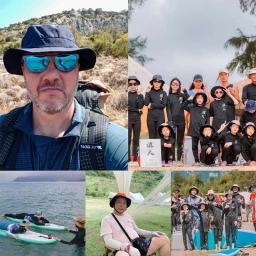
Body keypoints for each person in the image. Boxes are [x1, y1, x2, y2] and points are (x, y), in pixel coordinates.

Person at [0, 24, 127, 170]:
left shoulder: (111, 144)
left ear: (78, 67)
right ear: (23, 68)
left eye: (66, 61)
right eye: (36, 61)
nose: (51, 75)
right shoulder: (3, 135)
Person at [100, 192, 170, 256]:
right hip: (123, 249)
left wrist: (151, 233)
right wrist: (127, 248)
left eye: (124, 203)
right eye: (119, 202)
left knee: (164, 238)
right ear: (113, 204)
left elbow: (137, 230)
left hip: (140, 244)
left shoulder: (128, 216)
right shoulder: (107, 219)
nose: (121, 205)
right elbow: (108, 240)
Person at [181, 92, 209, 166]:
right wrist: (188, 100)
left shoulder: (206, 109)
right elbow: (182, 106)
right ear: (195, 99)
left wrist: (207, 131)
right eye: (198, 98)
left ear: (204, 100)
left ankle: (203, 161)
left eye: (201, 98)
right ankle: (196, 161)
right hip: (193, 130)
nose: (199, 99)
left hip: (203, 132)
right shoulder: (191, 107)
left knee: (204, 147)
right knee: (194, 147)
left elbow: (208, 121)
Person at [166, 77, 188, 165]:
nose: (175, 85)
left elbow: (189, 101)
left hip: (181, 121)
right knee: (172, 141)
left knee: (179, 142)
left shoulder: (182, 95)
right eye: (173, 84)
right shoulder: (168, 97)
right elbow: (168, 109)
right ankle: (172, 159)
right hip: (172, 122)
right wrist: (170, 121)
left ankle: (179, 160)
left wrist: (185, 92)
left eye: (177, 84)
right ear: (171, 85)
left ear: (179, 86)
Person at [144, 75, 167, 139]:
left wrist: (152, 105)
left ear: (161, 83)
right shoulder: (149, 92)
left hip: (160, 117)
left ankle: (159, 149)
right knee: (151, 136)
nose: (157, 83)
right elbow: (146, 103)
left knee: (159, 136)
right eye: (155, 81)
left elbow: (163, 105)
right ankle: (152, 149)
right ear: (152, 82)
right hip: (150, 117)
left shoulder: (164, 93)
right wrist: (147, 92)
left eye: (159, 81)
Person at [128, 76, 144, 163]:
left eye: (134, 84)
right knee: (128, 138)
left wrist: (139, 95)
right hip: (129, 119)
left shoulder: (140, 95)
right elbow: (128, 108)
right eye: (130, 84)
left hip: (137, 119)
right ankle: (127, 158)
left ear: (137, 85)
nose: (133, 85)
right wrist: (137, 110)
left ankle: (134, 158)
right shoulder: (126, 95)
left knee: (136, 139)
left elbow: (141, 106)